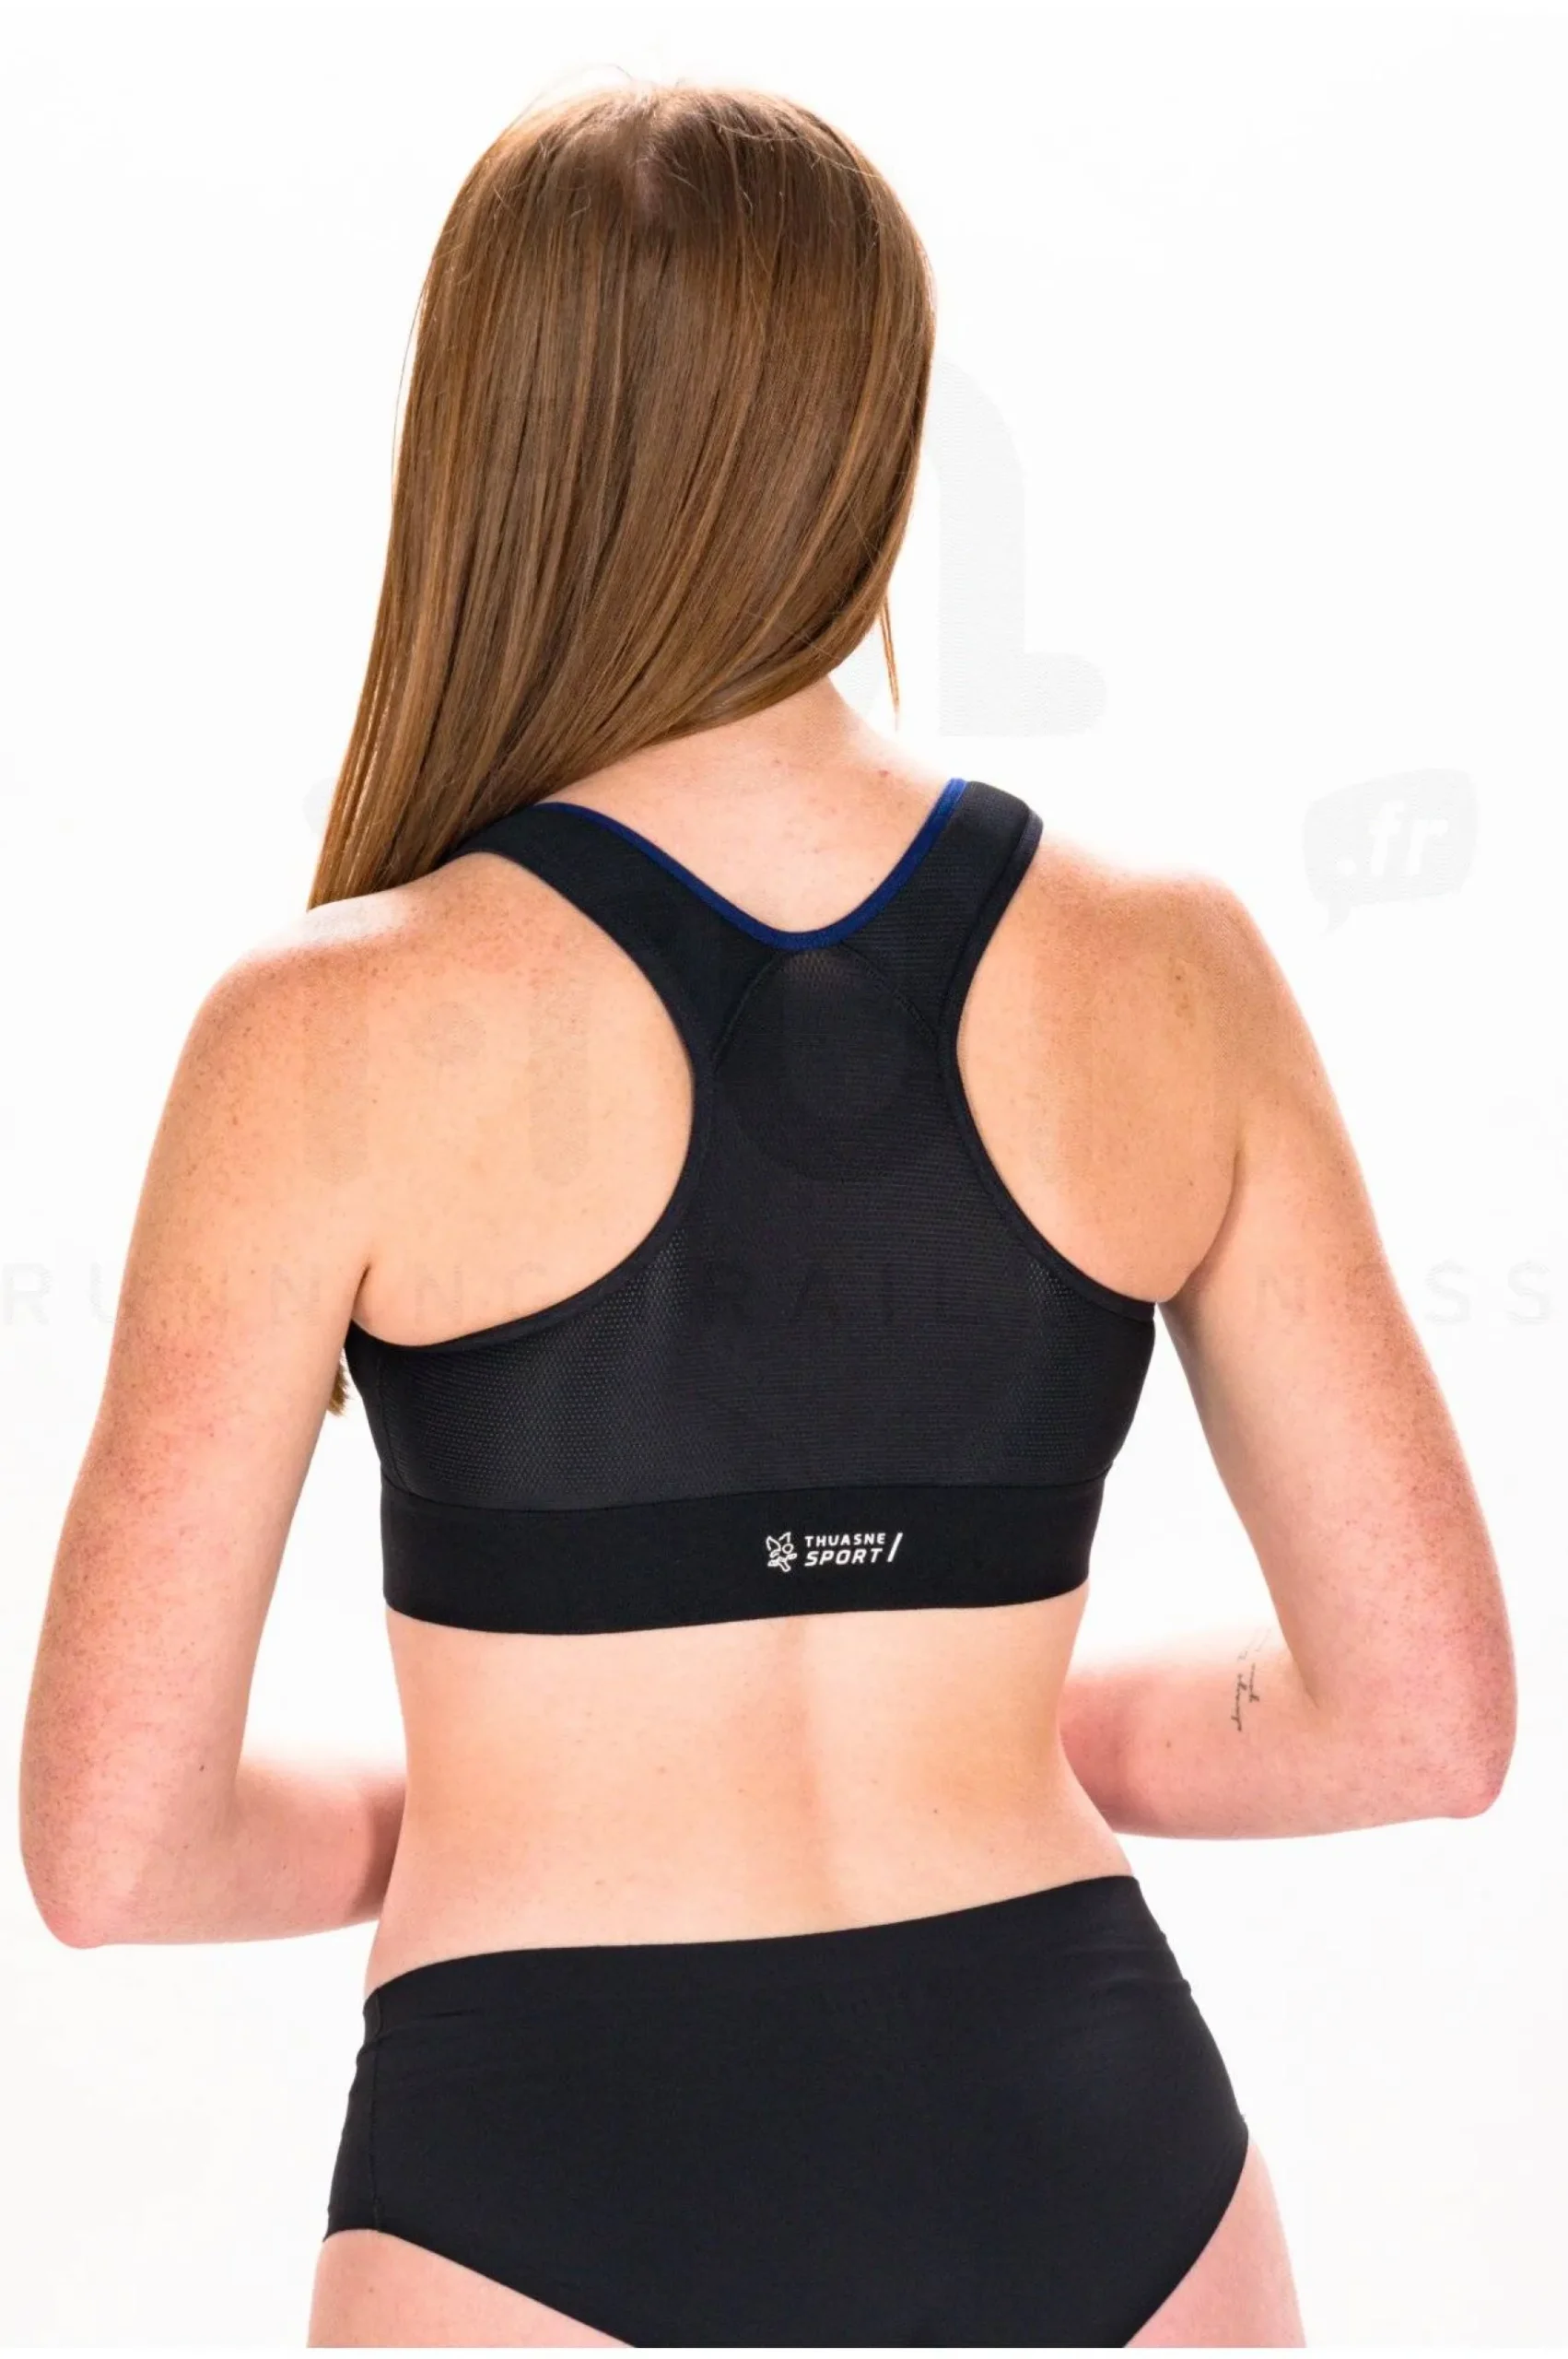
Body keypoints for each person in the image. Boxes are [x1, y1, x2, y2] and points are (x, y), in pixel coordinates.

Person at [18, 82, 1515, 2350]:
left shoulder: (323, 1029)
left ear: (490, 439)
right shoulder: (1169, 966)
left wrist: (506, 1792)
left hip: (535, 2161)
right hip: (1101, 2149)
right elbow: (1416, 1716)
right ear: (871, 429)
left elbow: (117, 1848)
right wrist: (1012, 1718)